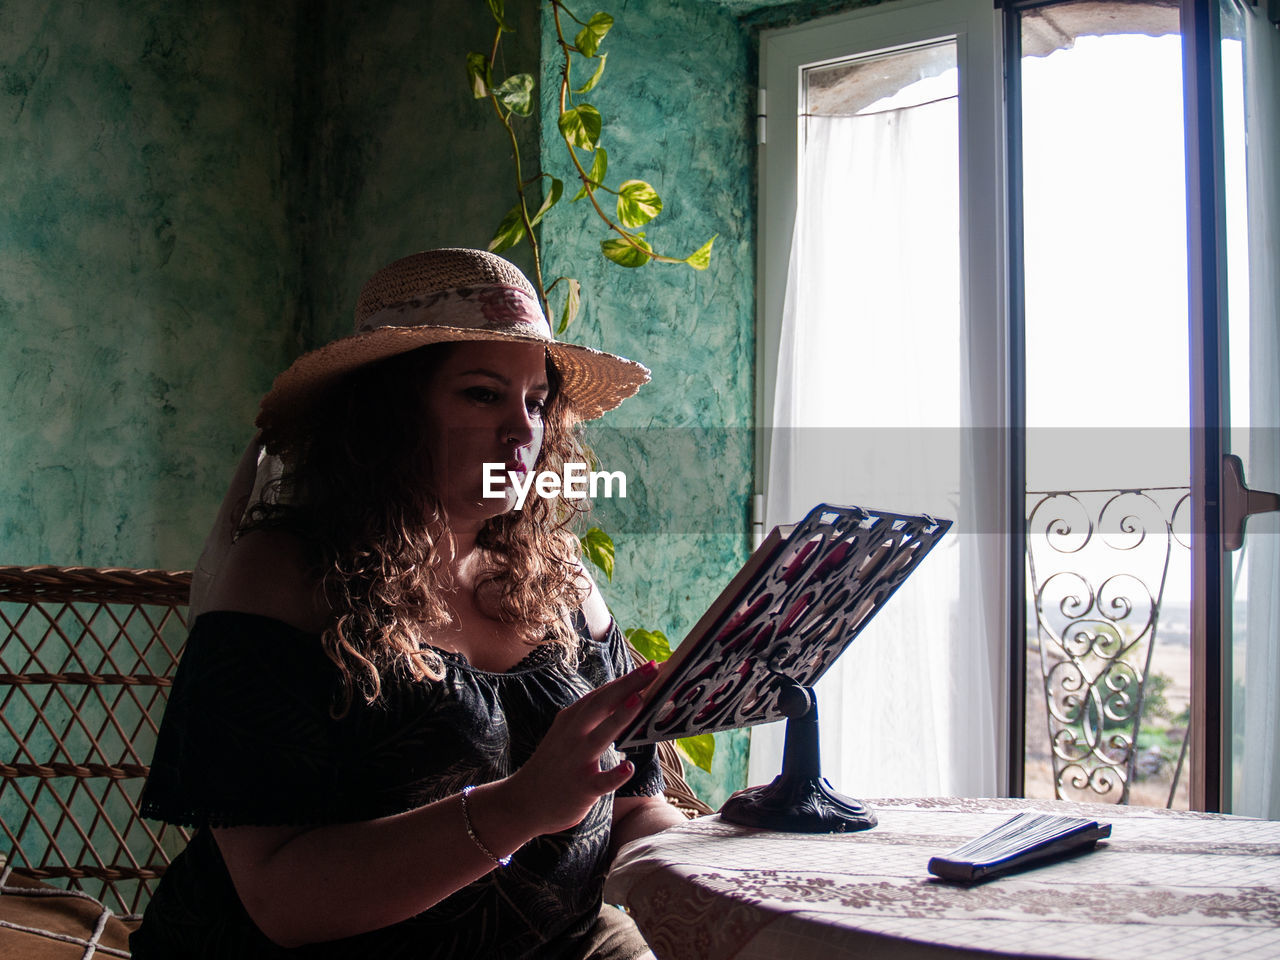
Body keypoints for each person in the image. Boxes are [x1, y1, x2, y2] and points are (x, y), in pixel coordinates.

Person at [129, 248, 687, 959]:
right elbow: (279, 898)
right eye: (482, 395)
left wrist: (728, 859)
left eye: (536, 402)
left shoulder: (560, 575)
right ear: (387, 413)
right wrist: (517, 808)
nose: (522, 433)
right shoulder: (283, 578)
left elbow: (637, 806)